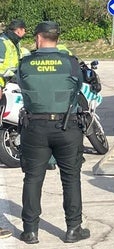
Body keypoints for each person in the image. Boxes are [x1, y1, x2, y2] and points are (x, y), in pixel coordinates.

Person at [17, 21, 90, 244]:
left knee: (32, 178)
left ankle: (30, 231)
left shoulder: (25, 64)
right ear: (56, 38)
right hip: (66, 127)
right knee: (70, 178)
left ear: (39, 38)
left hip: (35, 128)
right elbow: (79, 87)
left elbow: (20, 85)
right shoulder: (70, 63)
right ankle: (73, 229)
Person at [0, 19, 27, 101]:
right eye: (25, 30)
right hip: (3, 83)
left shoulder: (15, 42)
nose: (25, 33)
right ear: (19, 30)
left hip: (11, 82)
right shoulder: (2, 43)